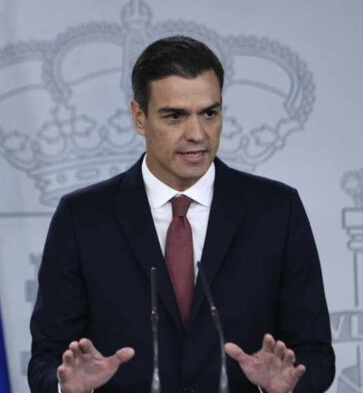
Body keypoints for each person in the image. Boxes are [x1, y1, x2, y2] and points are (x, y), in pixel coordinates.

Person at [27, 36, 334, 393]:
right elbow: (46, 360)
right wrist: (70, 389)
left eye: (210, 113)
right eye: (175, 116)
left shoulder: (277, 211)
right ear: (139, 117)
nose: (197, 133)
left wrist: (286, 386)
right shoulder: (82, 218)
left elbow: (315, 353)